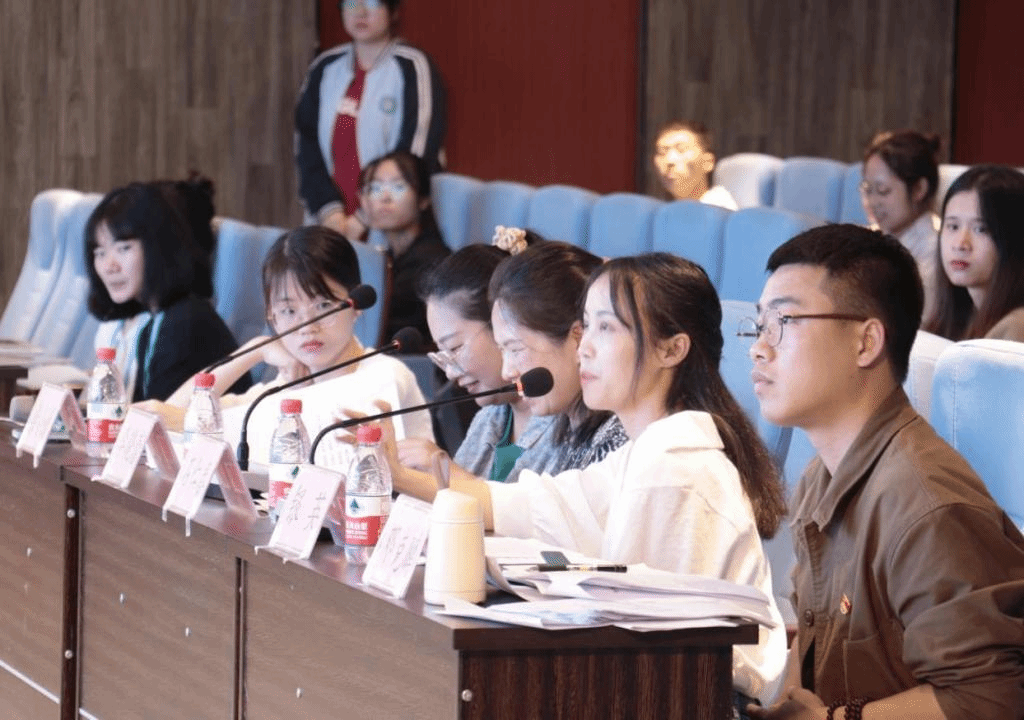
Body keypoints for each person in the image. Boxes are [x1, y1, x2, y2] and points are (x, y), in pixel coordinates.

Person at [386, 253, 788, 709]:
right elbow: (534, 506)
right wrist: (403, 476)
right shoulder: (647, 451)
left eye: (606, 328)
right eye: (586, 327)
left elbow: (641, 647)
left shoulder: (675, 468)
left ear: (672, 350)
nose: (584, 349)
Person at [745, 225, 1024, 720]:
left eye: (784, 321)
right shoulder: (821, 475)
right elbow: (814, 634)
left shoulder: (926, 505)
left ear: (866, 342)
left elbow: (989, 699)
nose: (759, 348)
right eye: (759, 324)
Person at [147, 225, 433, 463]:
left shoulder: (385, 375)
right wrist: (257, 349)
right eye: (288, 311)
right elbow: (170, 415)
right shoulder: (282, 387)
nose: (308, 326)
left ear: (357, 304)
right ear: (271, 316)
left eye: (324, 306)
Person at [85, 178, 250, 402]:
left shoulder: (184, 322)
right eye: (100, 253)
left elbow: (157, 415)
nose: (109, 266)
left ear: (156, 247)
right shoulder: (155, 320)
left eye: (123, 248)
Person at [295, 0, 446, 241]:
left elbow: (416, 155)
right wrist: (330, 211)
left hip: (392, 225)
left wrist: (364, 217)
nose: (360, 12)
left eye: (373, 2)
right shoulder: (324, 67)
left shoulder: (413, 66)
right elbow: (307, 147)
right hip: (331, 222)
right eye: (351, 2)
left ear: (393, 11)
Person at [359, 149, 450, 344]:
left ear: (423, 200)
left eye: (398, 187)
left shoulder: (430, 262)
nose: (384, 198)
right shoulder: (391, 256)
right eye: (375, 188)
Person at [924, 164, 1024, 342]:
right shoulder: (956, 315)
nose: (960, 244)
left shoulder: (1015, 328)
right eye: (953, 226)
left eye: (981, 229)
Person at [860, 130, 942, 319]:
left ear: (919, 189)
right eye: (867, 189)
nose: (872, 201)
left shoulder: (936, 250)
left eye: (883, 190)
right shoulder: (872, 236)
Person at [653, 120, 737, 210]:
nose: (669, 160)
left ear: (708, 162)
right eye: (662, 152)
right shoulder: (662, 210)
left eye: (681, 149)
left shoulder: (718, 207)